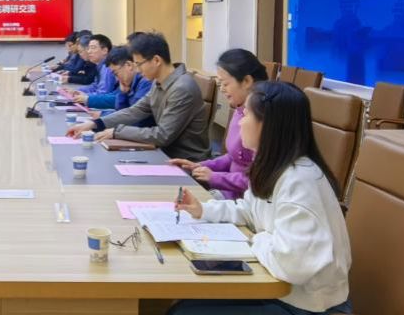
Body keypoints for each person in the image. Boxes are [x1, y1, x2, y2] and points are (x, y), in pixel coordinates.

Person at [167, 81, 351, 315]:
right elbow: (249, 210)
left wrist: (257, 238)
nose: (240, 122)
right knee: (183, 309)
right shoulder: (274, 166)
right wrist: (203, 210)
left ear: (267, 125)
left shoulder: (299, 182)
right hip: (287, 298)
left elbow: (292, 265)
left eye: (246, 114)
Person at [67, 32, 209, 161]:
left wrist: (117, 132)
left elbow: (162, 135)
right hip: (162, 153)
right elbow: (135, 110)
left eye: (139, 64)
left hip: (184, 161)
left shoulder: (181, 88)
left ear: (156, 60)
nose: (138, 70)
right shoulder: (159, 82)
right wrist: (95, 124)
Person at [169, 49, 267, 199]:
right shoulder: (240, 108)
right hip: (228, 192)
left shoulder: (262, 119)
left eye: (225, 84)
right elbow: (234, 156)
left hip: (244, 201)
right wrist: (201, 166)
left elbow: (259, 181)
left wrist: (215, 177)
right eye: (220, 84)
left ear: (247, 81)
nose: (221, 89)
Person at [83, 47, 155, 129]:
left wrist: (102, 118)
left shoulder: (145, 83)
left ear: (129, 65)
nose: (116, 79)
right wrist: (122, 93)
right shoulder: (129, 84)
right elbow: (121, 111)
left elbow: (134, 119)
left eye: (116, 73)